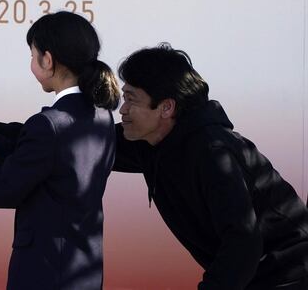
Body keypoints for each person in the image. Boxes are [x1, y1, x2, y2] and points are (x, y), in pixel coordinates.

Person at [0, 11, 120, 289]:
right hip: (83, 272)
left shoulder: (49, 125)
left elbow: (0, 190)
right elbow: (44, 150)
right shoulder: (101, 115)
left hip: (45, 272)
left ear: (47, 60)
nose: (31, 62)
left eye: (32, 54)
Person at [114, 44, 308, 289]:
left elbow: (243, 240)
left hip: (287, 275)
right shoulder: (150, 140)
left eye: (131, 99)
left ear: (166, 107)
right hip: (252, 275)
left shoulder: (212, 153)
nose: (123, 109)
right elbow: (89, 145)